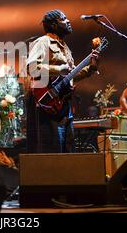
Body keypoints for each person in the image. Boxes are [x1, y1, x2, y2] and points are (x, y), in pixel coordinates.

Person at [26, 9, 99, 153]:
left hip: (63, 104)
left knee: (68, 148)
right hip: (47, 101)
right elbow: (31, 67)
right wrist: (59, 69)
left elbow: (69, 77)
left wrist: (91, 68)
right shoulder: (43, 42)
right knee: (52, 149)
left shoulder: (66, 48)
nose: (68, 21)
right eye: (64, 19)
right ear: (53, 25)